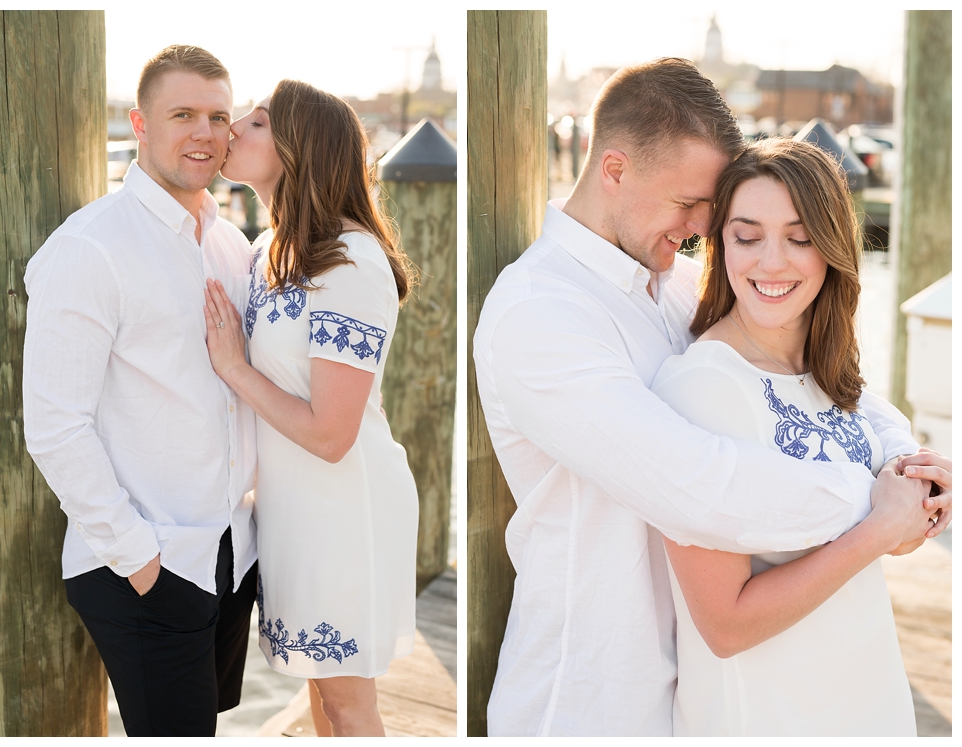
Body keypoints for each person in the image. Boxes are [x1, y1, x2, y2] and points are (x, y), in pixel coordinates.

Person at [471, 58, 952, 736]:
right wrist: (876, 506)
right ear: (614, 170)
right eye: (689, 203)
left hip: (694, 686)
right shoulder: (540, 315)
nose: (703, 226)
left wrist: (905, 458)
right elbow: (702, 485)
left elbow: (808, 377)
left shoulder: (669, 282)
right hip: (592, 695)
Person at [652, 138, 949, 736]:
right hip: (768, 719)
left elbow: (897, 532)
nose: (771, 262)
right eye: (747, 235)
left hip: (868, 703)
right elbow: (725, 625)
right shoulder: (704, 388)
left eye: (800, 237)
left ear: (833, 247)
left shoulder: (829, 374)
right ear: (719, 244)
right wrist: (878, 530)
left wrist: (924, 497)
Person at [22, 45, 258, 737]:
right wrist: (141, 559)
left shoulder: (230, 245)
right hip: (145, 564)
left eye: (218, 116)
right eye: (182, 113)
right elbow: (56, 427)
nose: (205, 133)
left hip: (226, 553)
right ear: (140, 124)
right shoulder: (89, 248)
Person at [203, 79, 419, 737]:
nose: (235, 125)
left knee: (350, 702)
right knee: (323, 697)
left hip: (343, 506)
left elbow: (331, 432)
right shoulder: (272, 251)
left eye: (259, 121)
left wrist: (235, 367)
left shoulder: (349, 259)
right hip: (292, 506)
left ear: (302, 147)